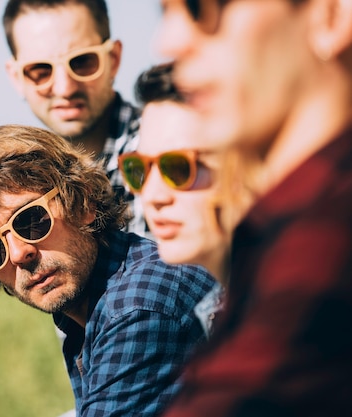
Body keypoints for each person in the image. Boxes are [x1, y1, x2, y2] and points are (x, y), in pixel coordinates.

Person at [150, 1, 352, 416]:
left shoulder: (327, 236)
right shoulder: (278, 233)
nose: (167, 42)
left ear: (330, 14)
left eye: (201, 7)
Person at [0, 124, 216, 416]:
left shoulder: (137, 305)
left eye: (31, 220)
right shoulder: (88, 312)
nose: (19, 254)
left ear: (83, 204)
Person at [118, 63, 246, 338]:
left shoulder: (308, 312)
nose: (152, 197)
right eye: (138, 169)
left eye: (178, 168)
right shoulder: (222, 311)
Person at [2, 0, 147, 236]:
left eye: (82, 62)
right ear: (16, 78)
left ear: (113, 59)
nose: (65, 88)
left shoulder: (158, 152)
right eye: (40, 71)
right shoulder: (24, 183)